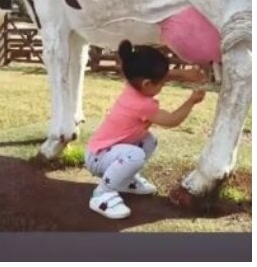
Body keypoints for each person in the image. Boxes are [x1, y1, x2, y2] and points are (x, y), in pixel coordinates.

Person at [85, 40, 206, 219]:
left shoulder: (133, 82)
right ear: (148, 84)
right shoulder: (142, 105)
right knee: (135, 155)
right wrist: (191, 101)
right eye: (162, 82)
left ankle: (125, 181)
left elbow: (151, 77)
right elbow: (172, 120)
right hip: (98, 158)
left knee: (149, 140)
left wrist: (182, 74)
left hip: (104, 152)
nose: (164, 84)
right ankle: (102, 194)